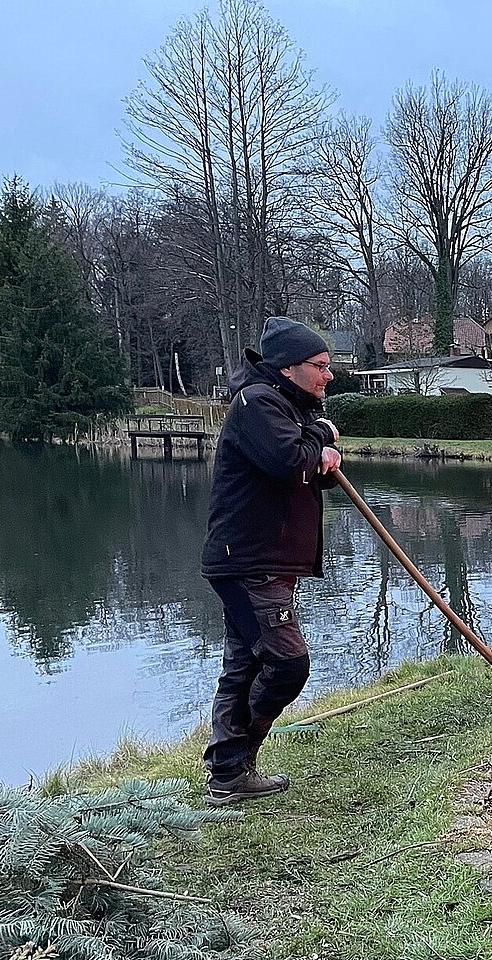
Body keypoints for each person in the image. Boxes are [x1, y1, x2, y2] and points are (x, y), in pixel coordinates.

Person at [199, 317, 342, 805]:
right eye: (320, 365)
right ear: (287, 367)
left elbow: (300, 471)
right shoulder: (257, 403)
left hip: (263, 562)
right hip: (248, 563)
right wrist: (320, 436)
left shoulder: (284, 405)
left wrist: (321, 454)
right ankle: (235, 762)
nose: (328, 375)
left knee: (243, 664)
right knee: (286, 664)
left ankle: (228, 774)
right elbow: (289, 461)